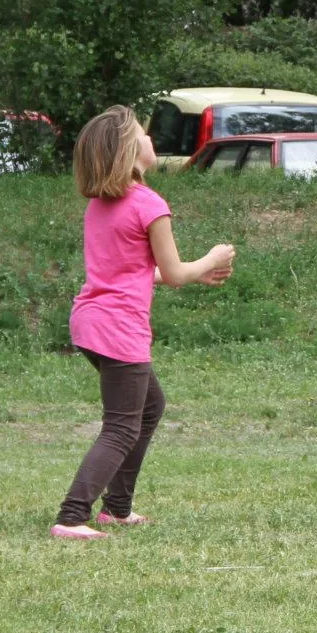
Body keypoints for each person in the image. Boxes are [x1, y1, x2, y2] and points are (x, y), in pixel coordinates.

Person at [53, 106, 234, 541]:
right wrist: (211, 259)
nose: (152, 139)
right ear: (131, 151)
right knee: (121, 425)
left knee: (149, 407)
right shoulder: (149, 203)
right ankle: (72, 516)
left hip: (90, 323)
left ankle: (117, 508)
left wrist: (194, 269)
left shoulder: (100, 204)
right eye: (144, 134)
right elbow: (173, 274)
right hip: (119, 329)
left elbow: (134, 270)